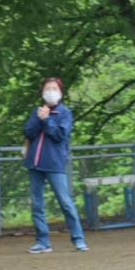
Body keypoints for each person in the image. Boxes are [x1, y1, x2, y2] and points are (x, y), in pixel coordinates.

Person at [23, 76, 88, 253]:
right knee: (37, 204)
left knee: (65, 201)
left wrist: (47, 120)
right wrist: (40, 118)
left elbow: (59, 135)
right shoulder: (37, 111)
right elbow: (28, 131)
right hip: (35, 163)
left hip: (54, 163)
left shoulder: (65, 113)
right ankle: (43, 241)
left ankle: (78, 238)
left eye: (54, 89)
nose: (50, 92)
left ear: (60, 92)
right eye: (47, 89)